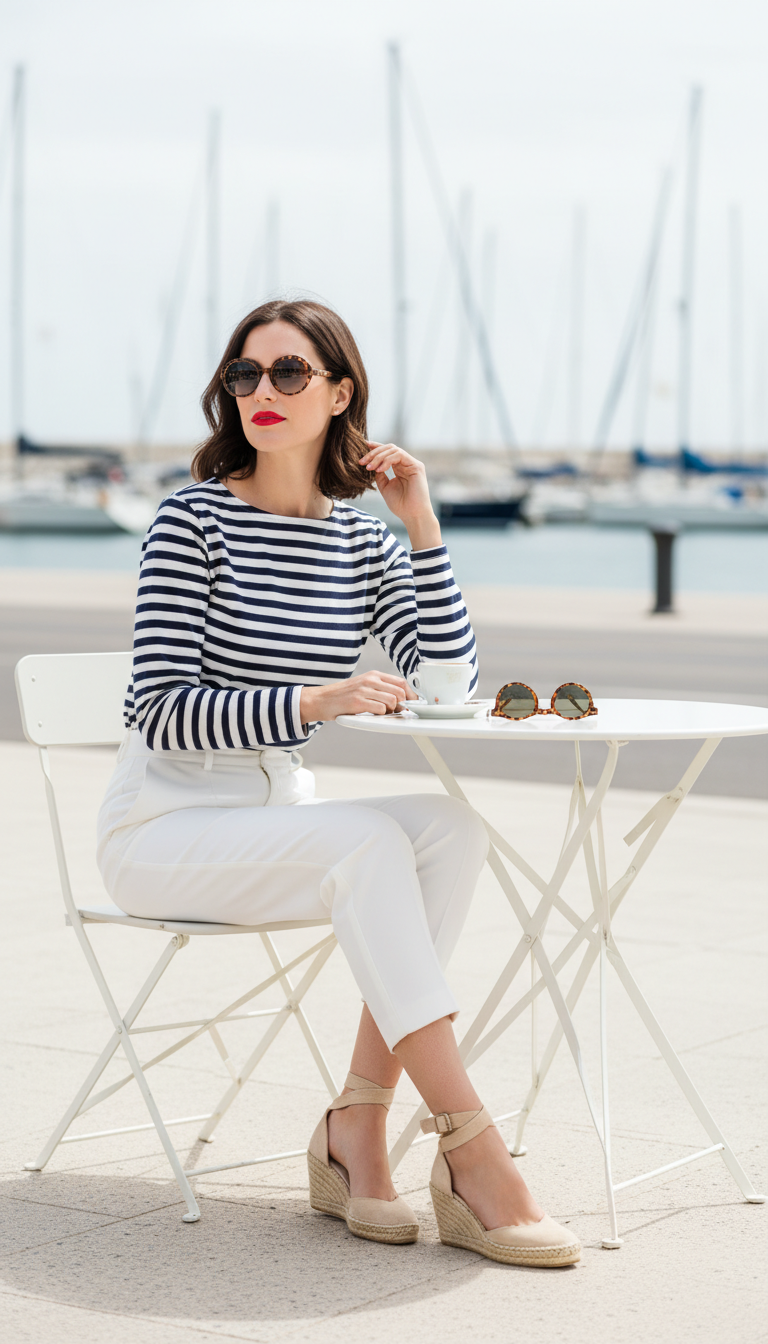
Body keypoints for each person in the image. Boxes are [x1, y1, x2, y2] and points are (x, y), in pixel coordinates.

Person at [97, 299, 580, 1268]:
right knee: (367, 843)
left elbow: (452, 683)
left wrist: (423, 528)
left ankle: (355, 1129)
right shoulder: (190, 520)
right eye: (244, 375)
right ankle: (473, 1150)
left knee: (450, 828)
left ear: (340, 391)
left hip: (277, 820)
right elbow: (157, 706)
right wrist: (314, 702)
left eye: (288, 374)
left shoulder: (361, 541)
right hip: (164, 828)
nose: (261, 394)